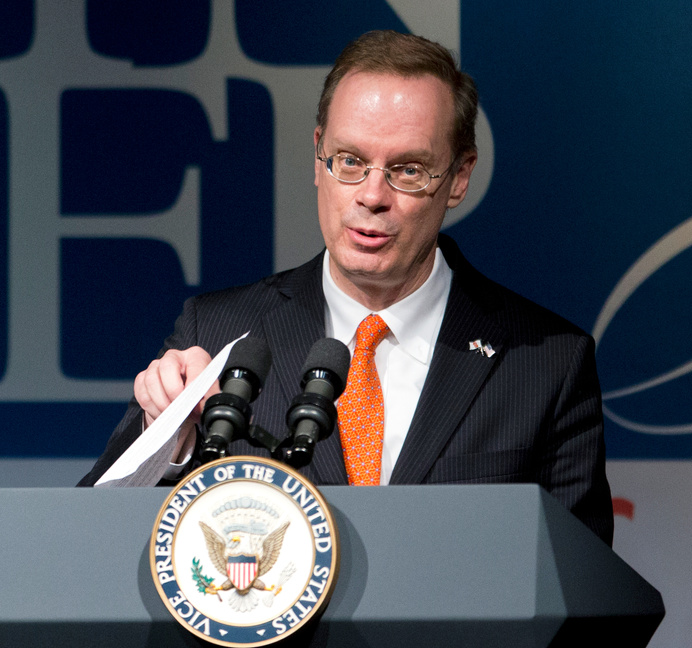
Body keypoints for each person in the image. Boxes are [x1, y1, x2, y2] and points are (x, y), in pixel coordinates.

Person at [78, 30, 612, 546]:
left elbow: (582, 595)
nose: (372, 196)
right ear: (319, 157)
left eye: (408, 169)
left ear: (459, 176)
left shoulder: (545, 365)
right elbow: (90, 536)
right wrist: (167, 436)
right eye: (351, 161)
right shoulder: (216, 332)